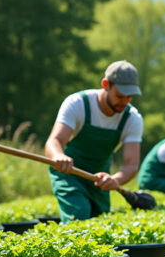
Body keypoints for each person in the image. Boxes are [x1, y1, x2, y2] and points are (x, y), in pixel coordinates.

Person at [45, 60, 144, 222]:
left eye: (130, 96)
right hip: (69, 172)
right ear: (106, 85)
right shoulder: (78, 104)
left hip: (99, 178)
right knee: (78, 213)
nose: (125, 101)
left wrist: (115, 180)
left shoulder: (132, 118)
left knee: (99, 221)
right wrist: (58, 156)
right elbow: (54, 140)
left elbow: (131, 165)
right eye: (120, 95)